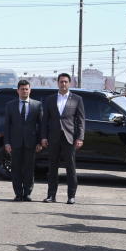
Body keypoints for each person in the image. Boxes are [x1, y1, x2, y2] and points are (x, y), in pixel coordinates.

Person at [41, 73, 84, 204]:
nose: (63, 84)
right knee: (53, 167)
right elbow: (45, 120)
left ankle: (71, 196)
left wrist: (80, 137)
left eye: (66, 82)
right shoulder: (50, 99)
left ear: (69, 83)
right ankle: (51, 195)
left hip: (69, 137)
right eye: (61, 82)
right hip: (53, 137)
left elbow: (81, 120)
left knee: (70, 167)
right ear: (58, 83)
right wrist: (43, 137)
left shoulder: (77, 99)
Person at [4, 79, 43, 201]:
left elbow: (41, 125)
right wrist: (7, 143)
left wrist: (39, 142)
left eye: (27, 89)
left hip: (31, 142)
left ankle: (27, 193)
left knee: (29, 168)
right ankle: (18, 193)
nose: (25, 91)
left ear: (30, 90)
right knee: (16, 168)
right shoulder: (10, 105)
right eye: (22, 89)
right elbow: (6, 125)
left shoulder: (37, 105)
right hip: (15, 142)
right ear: (18, 91)